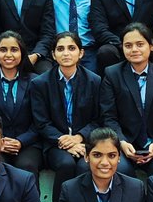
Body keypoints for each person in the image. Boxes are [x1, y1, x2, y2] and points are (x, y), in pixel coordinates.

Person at [100, 24, 153, 179]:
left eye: (140, 44)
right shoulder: (112, 74)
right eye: (128, 45)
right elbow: (108, 117)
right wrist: (121, 142)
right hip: (123, 143)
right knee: (119, 167)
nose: (134, 50)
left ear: (151, 46)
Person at [31, 31, 103, 189]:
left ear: (81, 53)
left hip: (85, 141)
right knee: (66, 164)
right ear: (53, 55)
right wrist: (65, 141)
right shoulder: (40, 83)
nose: (66, 53)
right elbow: (41, 122)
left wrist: (78, 137)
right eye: (60, 49)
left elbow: (98, 119)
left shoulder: (94, 81)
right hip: (54, 143)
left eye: (71, 48)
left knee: (86, 165)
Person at [0, 31, 41, 177]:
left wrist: (20, 141)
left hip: (28, 143)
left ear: (22, 53)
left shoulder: (36, 82)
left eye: (14, 50)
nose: (8, 55)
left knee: (26, 166)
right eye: (3, 50)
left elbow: (40, 121)